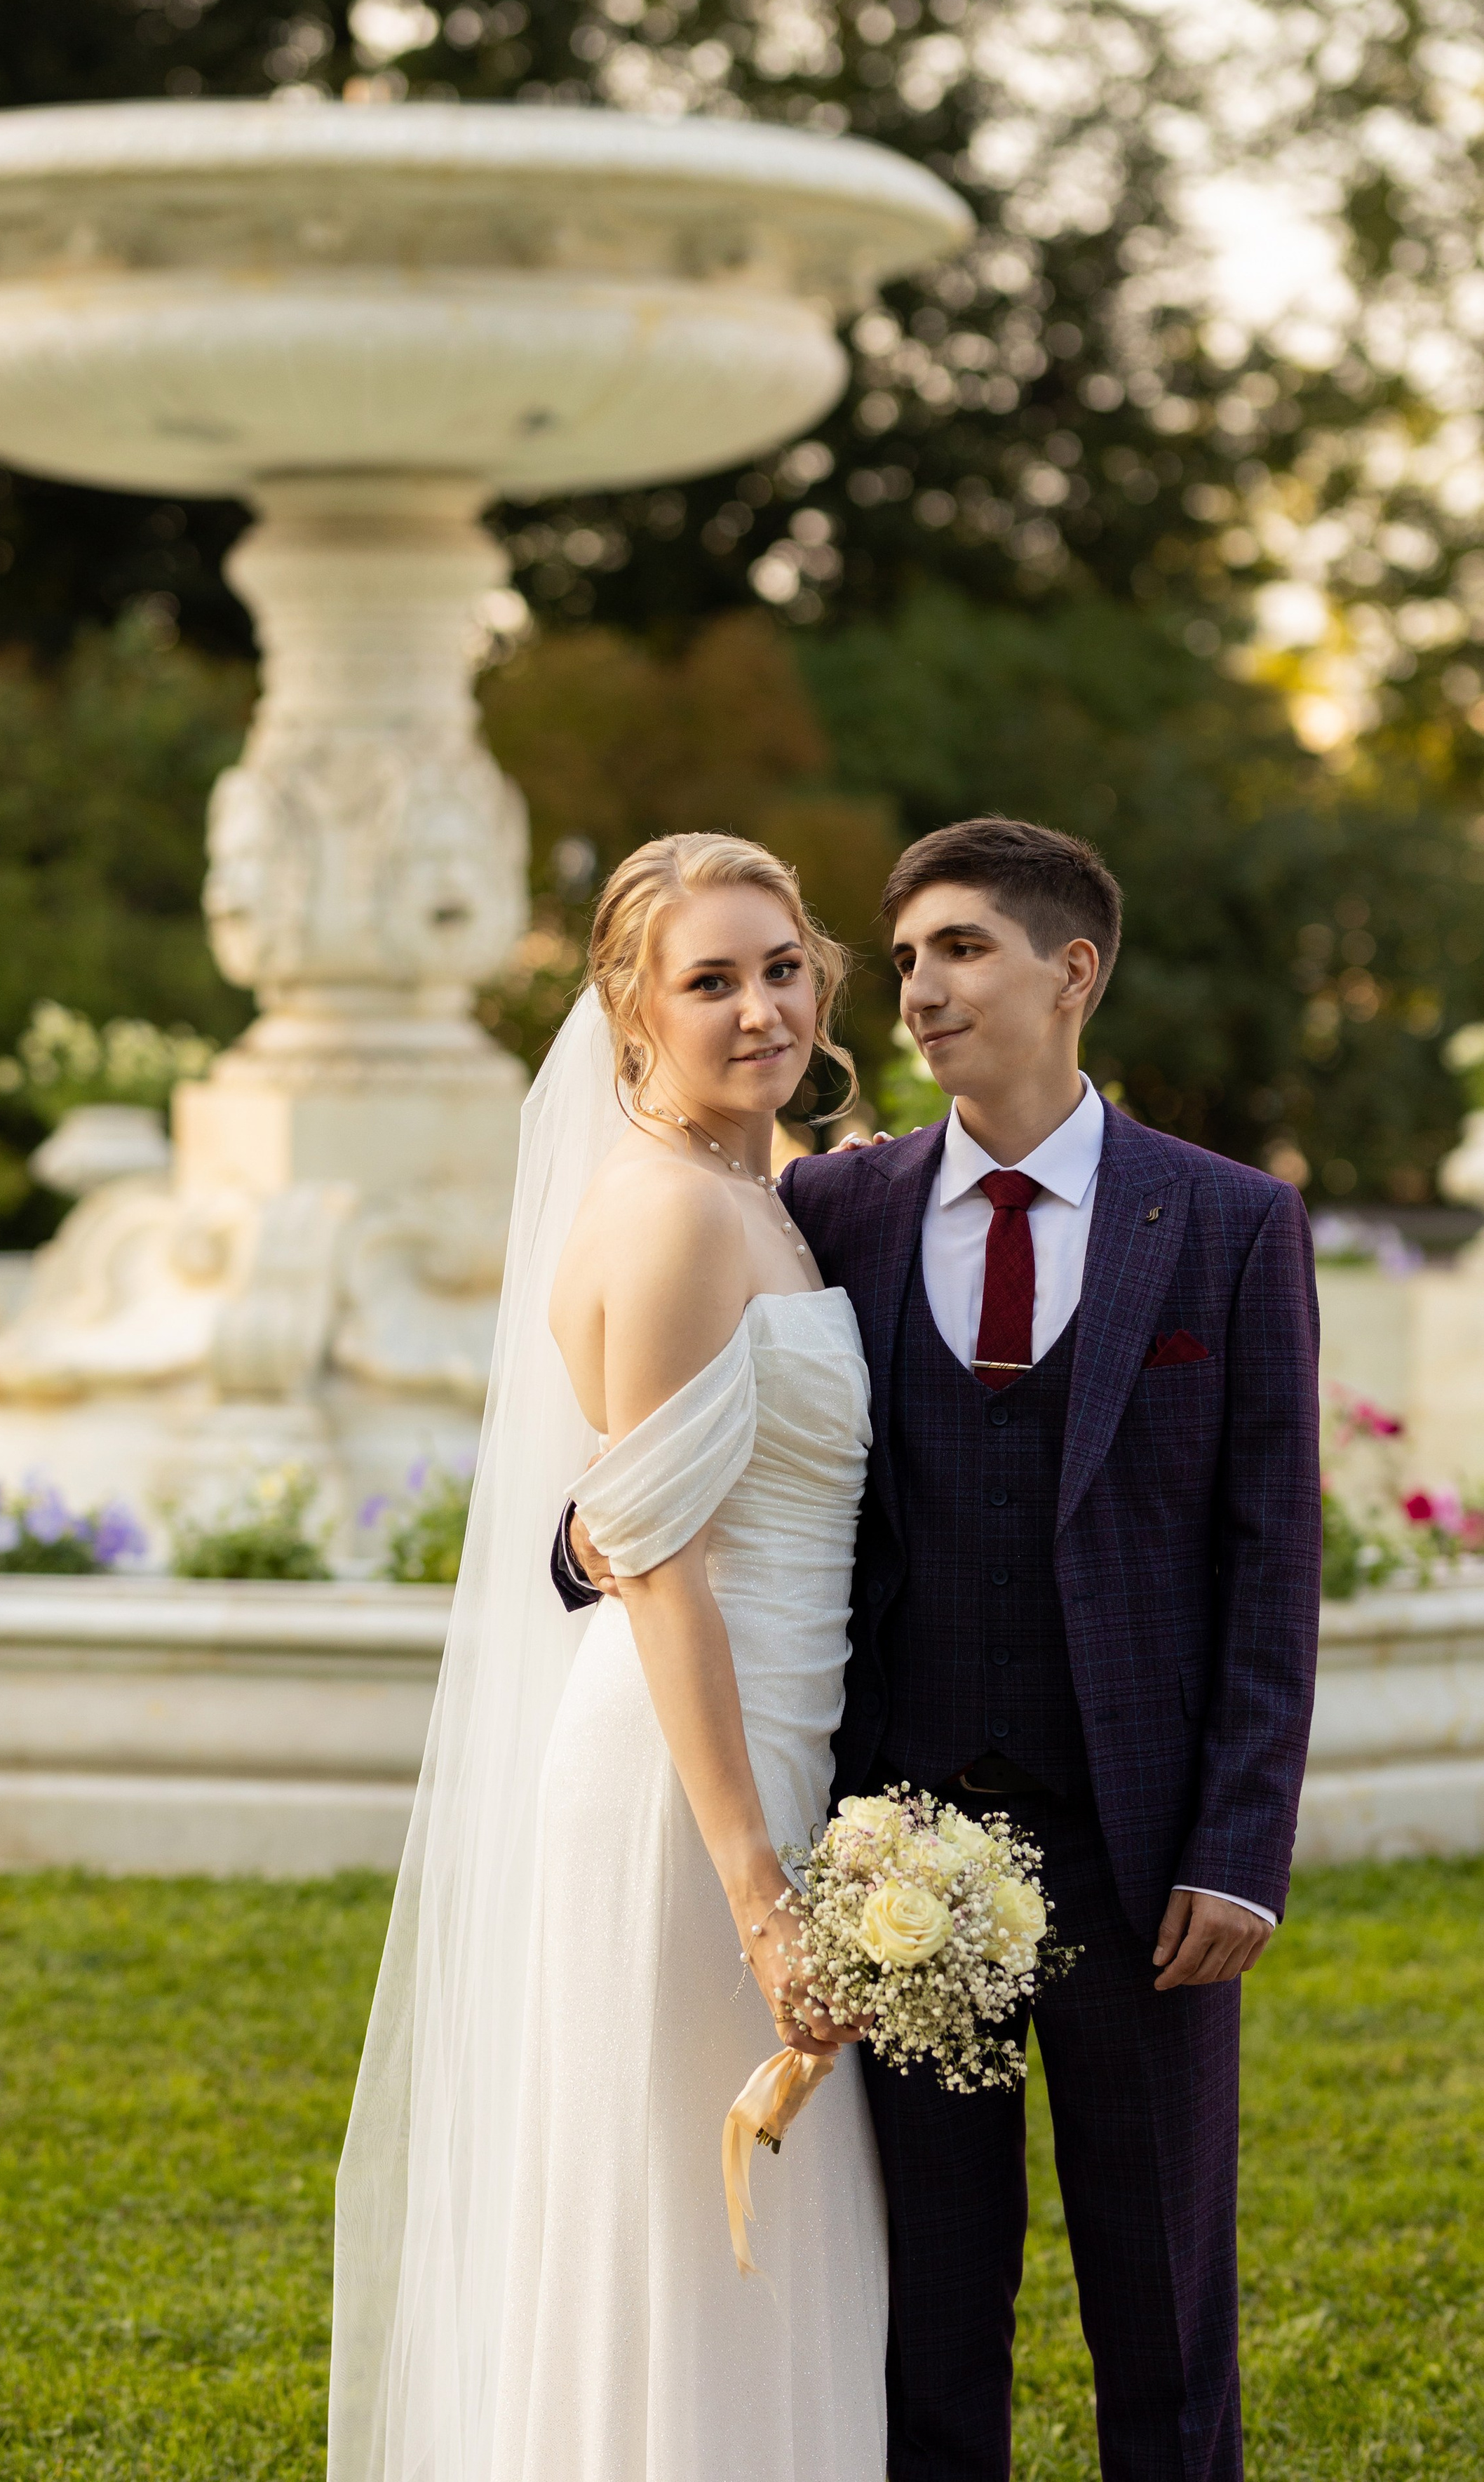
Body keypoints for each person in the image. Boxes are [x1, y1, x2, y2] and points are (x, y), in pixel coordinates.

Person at [329, 832, 892, 2482]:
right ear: (629, 1011)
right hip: (682, 1787)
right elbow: (649, 1564)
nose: (758, 1008)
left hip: (778, 1750)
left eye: (780, 968)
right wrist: (755, 1886)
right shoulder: (665, 1217)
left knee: (762, 2223)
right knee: (681, 2223)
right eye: (707, 980)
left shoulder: (754, 1193)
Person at [767, 816, 1322, 2482]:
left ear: (1069, 972)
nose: (916, 989)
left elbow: (1267, 1555)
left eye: (960, 950)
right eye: (909, 954)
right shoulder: (834, 1208)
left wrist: (1237, 1847)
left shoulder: (1222, 1224)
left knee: (1158, 2307)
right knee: (930, 2311)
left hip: (1140, 1854)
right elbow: (736, 1445)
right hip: (901, 1854)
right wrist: (589, 1545)